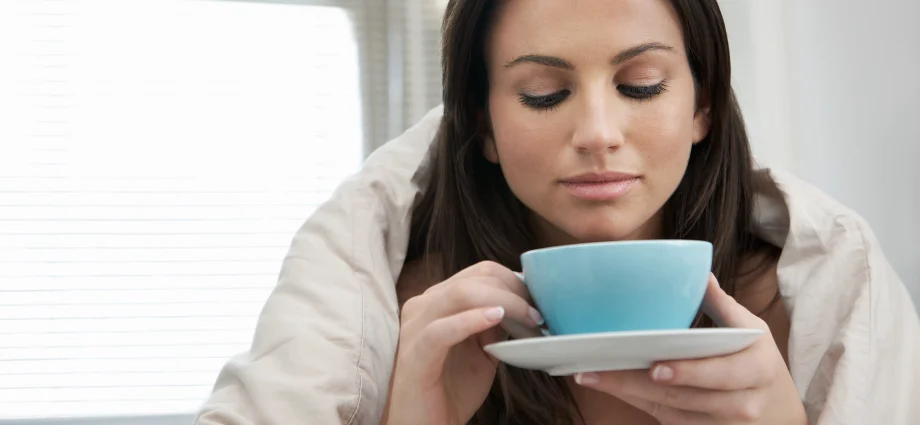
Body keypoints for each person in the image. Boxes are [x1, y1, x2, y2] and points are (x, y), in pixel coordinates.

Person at [194, 1, 920, 424]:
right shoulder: (404, 312)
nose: (599, 131)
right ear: (479, 122)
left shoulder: (821, 288)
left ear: (702, 104)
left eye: (641, 84)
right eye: (544, 93)